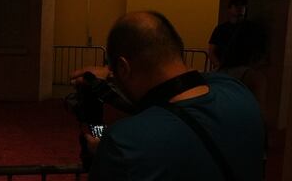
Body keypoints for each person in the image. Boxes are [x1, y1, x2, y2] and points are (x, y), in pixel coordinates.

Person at [73, 11, 265, 180]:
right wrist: (112, 75)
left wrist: (103, 153)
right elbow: (180, 89)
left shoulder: (124, 143)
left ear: (124, 68)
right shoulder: (237, 91)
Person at [208, 0, 248, 70]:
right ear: (229, 9)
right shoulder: (220, 29)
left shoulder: (249, 29)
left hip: (242, 68)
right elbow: (211, 51)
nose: (240, 8)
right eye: (236, 5)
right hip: (226, 67)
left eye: (243, 5)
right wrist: (218, 65)